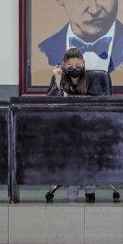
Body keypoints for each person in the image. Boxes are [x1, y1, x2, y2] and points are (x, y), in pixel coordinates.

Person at [47, 48, 110, 202]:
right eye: (70, 66)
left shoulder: (93, 78)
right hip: (66, 127)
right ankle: (73, 185)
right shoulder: (60, 78)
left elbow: (96, 102)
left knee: (83, 146)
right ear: (64, 65)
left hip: (90, 127)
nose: (74, 69)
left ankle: (88, 187)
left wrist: (70, 97)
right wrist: (57, 81)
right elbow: (49, 102)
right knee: (71, 144)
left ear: (83, 63)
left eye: (77, 65)